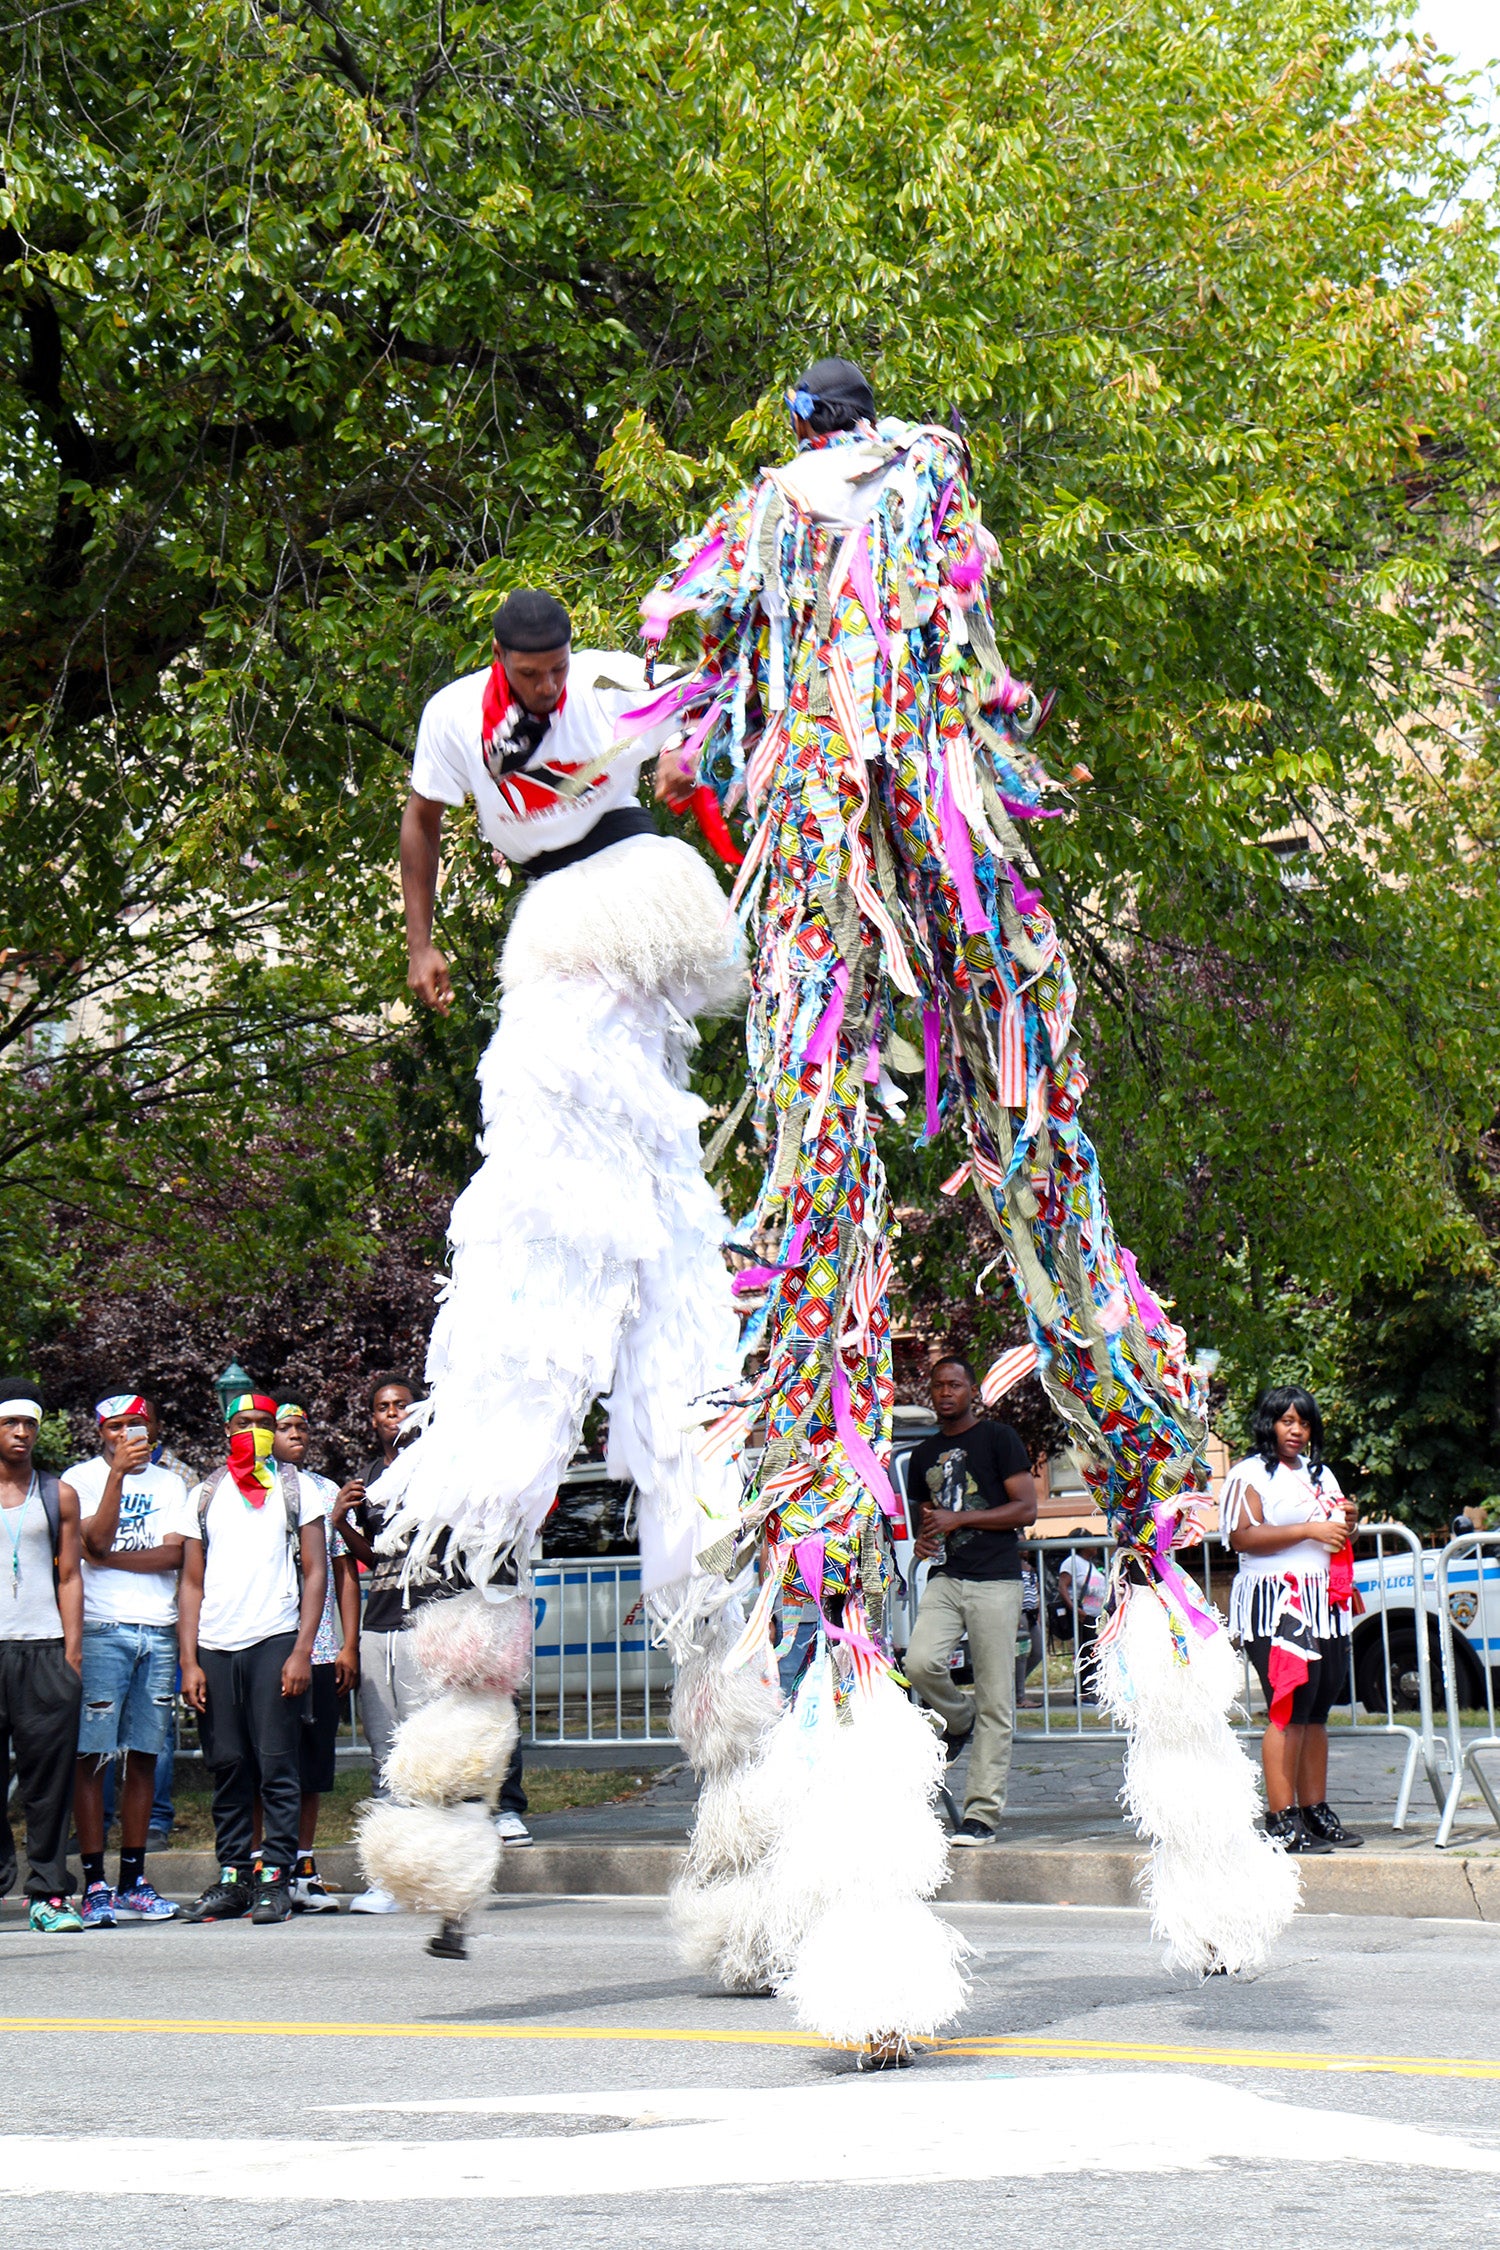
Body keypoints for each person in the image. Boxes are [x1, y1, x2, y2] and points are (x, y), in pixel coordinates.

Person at [377, 587, 742, 1618]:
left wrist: (682, 760)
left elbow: (705, 714)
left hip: (629, 879)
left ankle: (606, 1213)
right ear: (499, 658)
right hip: (548, 902)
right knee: (584, 1105)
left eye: (557, 669)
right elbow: (421, 819)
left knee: (575, 1069)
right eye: (531, 675)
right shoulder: (456, 715)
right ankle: (609, 1227)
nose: (549, 686)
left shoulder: (615, 679)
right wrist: (420, 938)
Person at [337, 1375, 530, 1917]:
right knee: (385, 1753)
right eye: (383, 1407)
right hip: (379, 1624)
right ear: (372, 1418)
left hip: (428, 1622)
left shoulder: (445, 1470)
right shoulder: (373, 1477)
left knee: (426, 1751)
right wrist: (342, 1522)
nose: (393, 1414)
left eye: (402, 1405)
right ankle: (391, 1875)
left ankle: (443, 1868)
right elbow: (377, 1557)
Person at [178, 1390, 329, 1923]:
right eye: (245, 1423)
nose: (255, 1432)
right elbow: (191, 1583)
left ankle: (275, 1878)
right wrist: (189, 1660)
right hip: (216, 1645)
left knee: (276, 1764)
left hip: (273, 1638)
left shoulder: (298, 1491)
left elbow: (316, 1571)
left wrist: (302, 1650)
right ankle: (233, 1876)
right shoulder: (203, 1494)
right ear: (226, 1430)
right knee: (227, 1764)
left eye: (265, 1424)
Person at [62, 1391, 189, 1926]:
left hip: (157, 1630)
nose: (126, 1433)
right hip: (101, 1629)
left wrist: (107, 1558)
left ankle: (133, 1880)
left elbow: (174, 1553)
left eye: (136, 1423)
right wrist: (115, 1477)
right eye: (115, 1426)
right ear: (100, 1433)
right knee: (91, 1758)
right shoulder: (82, 1479)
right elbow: (92, 1534)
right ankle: (94, 1885)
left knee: (144, 1755)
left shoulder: (171, 1482)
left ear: (153, 1427)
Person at [1222, 1385, 1364, 1854]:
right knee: (1289, 1704)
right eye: (1287, 1421)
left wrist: (1350, 1520)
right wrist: (1309, 1528)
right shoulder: (1247, 1474)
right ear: (1268, 1423)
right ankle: (1280, 1818)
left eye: (1303, 1422)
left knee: (1320, 1705)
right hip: (1277, 1601)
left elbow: (1339, 1533)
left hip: (1325, 1602)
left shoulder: (1321, 1474)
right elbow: (1243, 1537)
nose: (1297, 1430)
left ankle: (1314, 1810)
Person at [904, 1356, 1038, 1845]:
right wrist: (925, 1540)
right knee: (920, 1663)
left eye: (954, 1384)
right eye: (937, 1385)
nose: (945, 1392)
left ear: (971, 1390)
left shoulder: (998, 1438)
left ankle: (981, 1814)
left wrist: (960, 1520)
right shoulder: (923, 1456)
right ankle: (958, 1718)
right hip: (947, 1575)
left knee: (997, 1699)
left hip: (996, 1581)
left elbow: (1027, 1508)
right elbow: (929, 1519)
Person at [263, 1392, 361, 1911]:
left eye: (303, 1427)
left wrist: (348, 1643)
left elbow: (345, 1574)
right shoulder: (248, 1490)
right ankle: (263, 1863)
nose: (296, 1434)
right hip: (265, 1643)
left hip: (320, 1648)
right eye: (284, 1427)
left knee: (312, 1763)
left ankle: (302, 1862)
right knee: (267, 1761)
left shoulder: (325, 1491)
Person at [0, 1386, 84, 1932]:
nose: (22, 1433)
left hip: (44, 1650)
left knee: (47, 1783)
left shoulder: (58, 1493)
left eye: (29, 1424)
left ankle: (48, 1894)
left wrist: (72, 1658)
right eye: (10, 1423)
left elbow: (71, 1575)